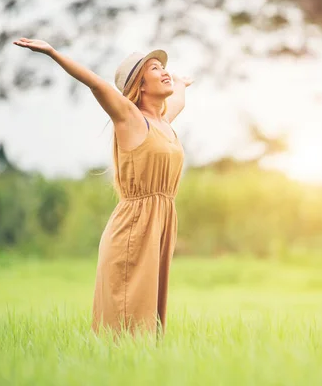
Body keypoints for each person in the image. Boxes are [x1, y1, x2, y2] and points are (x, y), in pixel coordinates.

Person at [13, 38, 193, 337]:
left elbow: (179, 100)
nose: (165, 72)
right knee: (127, 319)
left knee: (149, 317)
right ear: (141, 84)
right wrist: (53, 53)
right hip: (135, 227)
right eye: (155, 67)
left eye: (165, 67)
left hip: (160, 224)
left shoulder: (163, 123)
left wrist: (182, 83)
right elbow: (96, 84)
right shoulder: (131, 118)